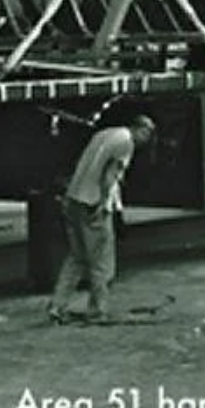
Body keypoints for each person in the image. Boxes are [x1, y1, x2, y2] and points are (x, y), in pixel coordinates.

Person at [46, 114, 157, 324]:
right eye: (147, 136)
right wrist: (105, 204)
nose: (145, 142)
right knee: (101, 261)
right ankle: (97, 311)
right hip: (92, 203)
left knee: (77, 257)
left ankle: (57, 306)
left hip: (73, 199)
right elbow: (109, 177)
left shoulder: (104, 134)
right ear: (141, 130)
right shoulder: (126, 143)